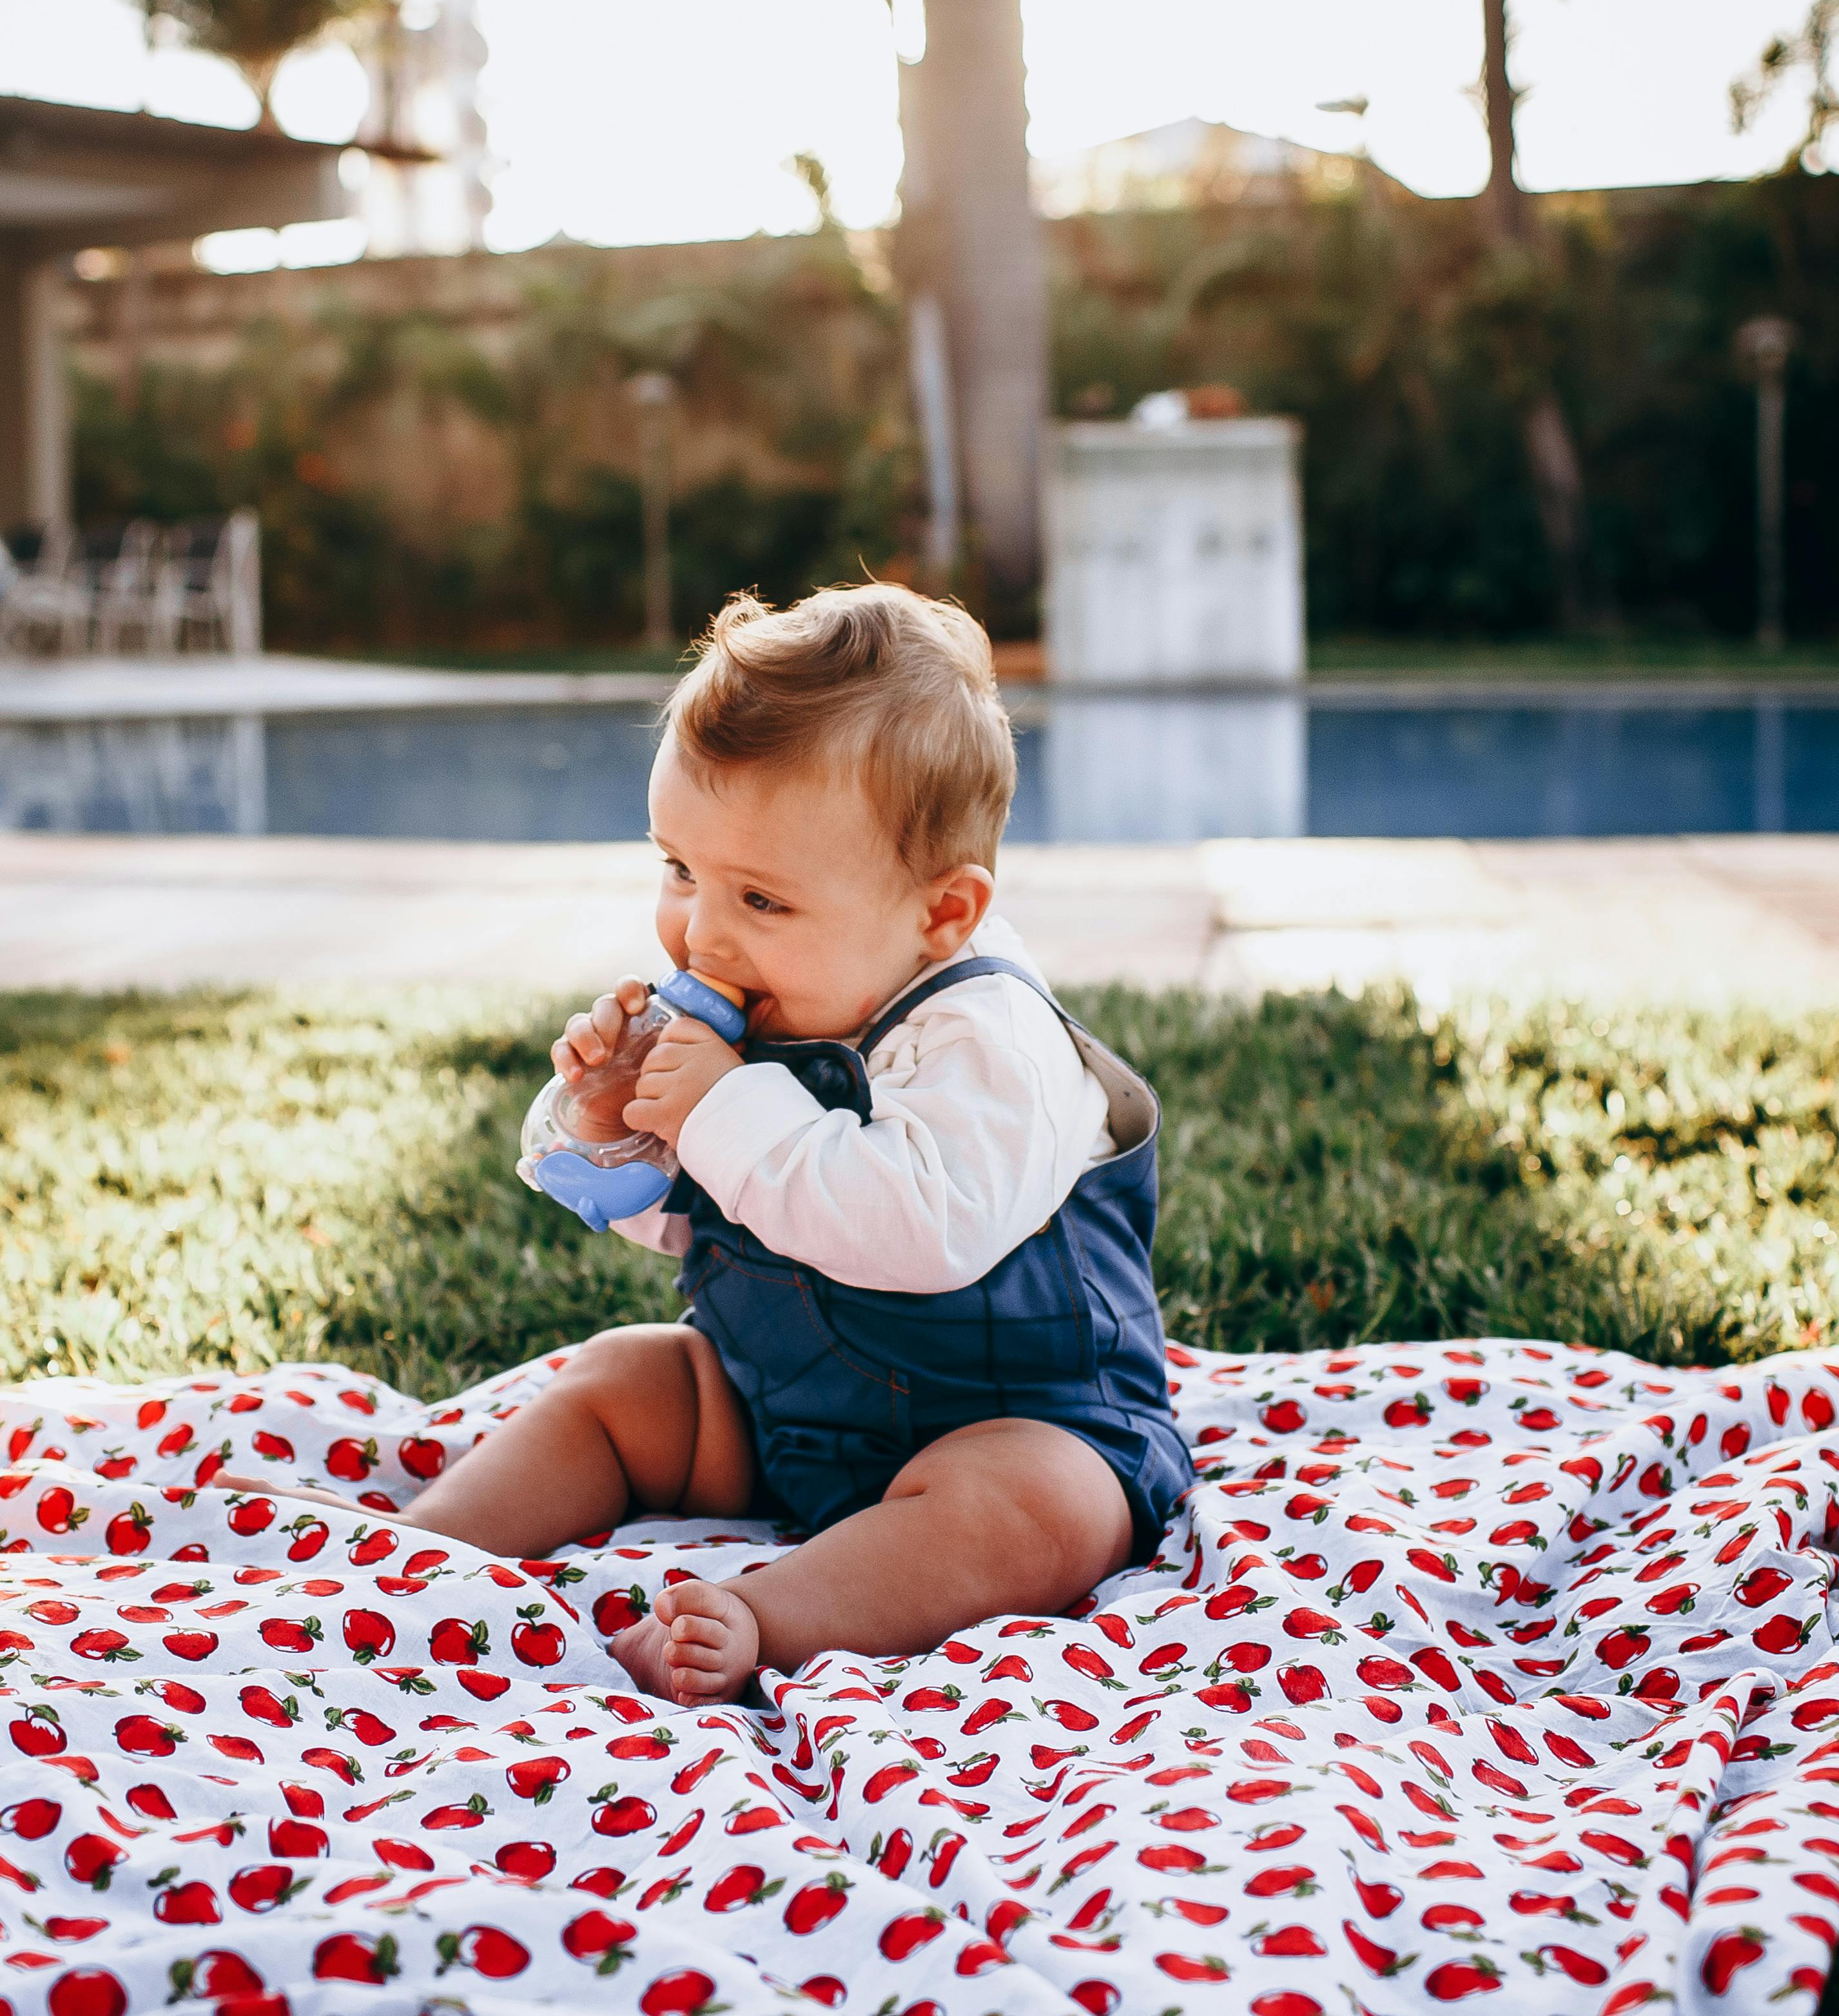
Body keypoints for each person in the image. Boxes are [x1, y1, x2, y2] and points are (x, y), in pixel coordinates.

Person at [238, 585, 1191, 1705]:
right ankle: (425, 1546)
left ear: (941, 912)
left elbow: (923, 1231)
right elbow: (696, 1215)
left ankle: (767, 1610)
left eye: (762, 899)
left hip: (1012, 1416)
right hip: (780, 1406)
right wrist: (615, 1126)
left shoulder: (990, 1037)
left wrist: (720, 1108)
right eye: (682, 870)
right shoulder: (784, 995)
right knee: (625, 1378)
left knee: (1044, 1511)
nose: (703, 930)